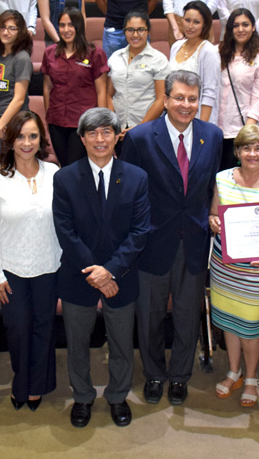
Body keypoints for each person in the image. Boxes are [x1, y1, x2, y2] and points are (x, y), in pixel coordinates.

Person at [122, 70, 223, 406]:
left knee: (186, 315)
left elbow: (212, 186)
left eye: (192, 98)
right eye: (179, 97)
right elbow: (128, 194)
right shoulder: (139, 138)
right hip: (152, 242)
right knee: (149, 316)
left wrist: (212, 213)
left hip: (194, 242)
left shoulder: (214, 135)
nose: (186, 104)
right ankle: (153, 373)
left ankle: (180, 376)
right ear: (165, 100)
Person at [53, 107, 150, 428]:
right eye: (92, 133)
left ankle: (118, 395)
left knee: (122, 342)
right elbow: (65, 231)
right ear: (81, 138)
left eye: (106, 131)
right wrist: (95, 272)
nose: (99, 139)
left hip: (120, 276)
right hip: (78, 275)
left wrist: (110, 271)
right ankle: (81, 397)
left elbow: (140, 232)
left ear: (117, 136)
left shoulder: (136, 177)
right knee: (77, 343)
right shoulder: (64, 177)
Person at [0, 111, 61, 411]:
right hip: (10, 270)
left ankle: (37, 386)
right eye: (20, 136)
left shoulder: (54, 174)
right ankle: (20, 383)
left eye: (33, 136)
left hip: (48, 266)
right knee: (17, 329)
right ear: (10, 140)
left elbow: (64, 223)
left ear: (41, 139)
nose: (26, 143)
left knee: (43, 327)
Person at [207, 124, 259, 408]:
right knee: (229, 323)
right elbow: (214, 214)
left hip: (258, 273)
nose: (252, 154)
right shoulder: (222, 178)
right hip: (224, 268)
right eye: (246, 148)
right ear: (237, 151)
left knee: (251, 328)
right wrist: (213, 221)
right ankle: (233, 371)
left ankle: (251, 377)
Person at [42, 9, 108, 166]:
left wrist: (101, 122)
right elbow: (47, 87)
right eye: (62, 25)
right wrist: (48, 116)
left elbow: (101, 90)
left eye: (71, 25)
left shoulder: (94, 53)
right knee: (64, 165)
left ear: (79, 26)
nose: (66, 30)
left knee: (75, 165)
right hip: (56, 121)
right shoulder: (50, 53)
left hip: (83, 122)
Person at [106, 10, 169, 150]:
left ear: (148, 31)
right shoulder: (115, 57)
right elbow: (109, 95)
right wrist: (113, 124)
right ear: (124, 31)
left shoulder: (159, 60)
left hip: (148, 130)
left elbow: (161, 100)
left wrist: (139, 128)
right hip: (120, 131)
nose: (135, 35)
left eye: (140, 30)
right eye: (130, 30)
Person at [218, 8, 259, 169]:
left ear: (254, 27)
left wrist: (246, 134)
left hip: (239, 131)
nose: (240, 29)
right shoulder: (218, 52)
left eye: (245, 24)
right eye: (235, 25)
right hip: (216, 130)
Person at [0, 9, 32, 158]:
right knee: (2, 170)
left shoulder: (22, 58)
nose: (6, 32)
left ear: (20, 32)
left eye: (12, 28)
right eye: (3, 27)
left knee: (17, 170)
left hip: (17, 124)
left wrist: (1, 124)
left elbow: (19, 99)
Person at [168, 0, 220, 123]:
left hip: (197, 118)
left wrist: (202, 127)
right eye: (187, 20)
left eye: (196, 22)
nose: (190, 26)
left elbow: (209, 93)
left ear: (204, 25)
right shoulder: (176, 46)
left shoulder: (209, 51)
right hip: (175, 117)